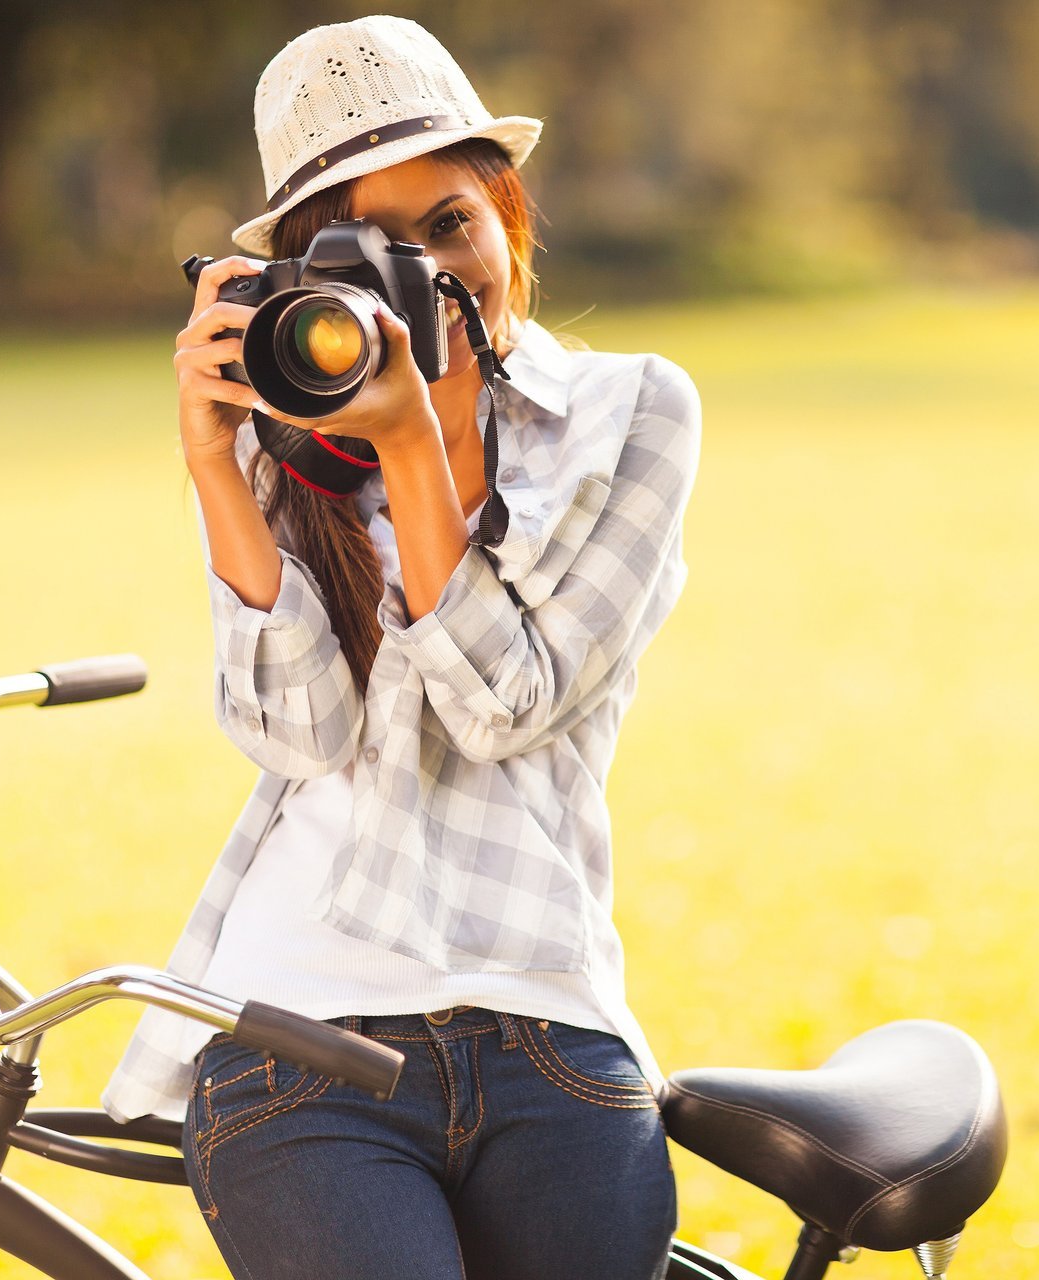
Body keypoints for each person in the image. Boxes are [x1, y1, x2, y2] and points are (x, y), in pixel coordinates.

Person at [99, 16, 701, 1280]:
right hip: (297, 1032)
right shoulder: (287, 428)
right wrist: (217, 457)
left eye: (449, 223)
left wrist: (415, 445)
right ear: (305, 272)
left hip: (546, 1015)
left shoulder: (633, 412)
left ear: (509, 220)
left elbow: (503, 705)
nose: (421, 270)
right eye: (368, 246)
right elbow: (295, 733)